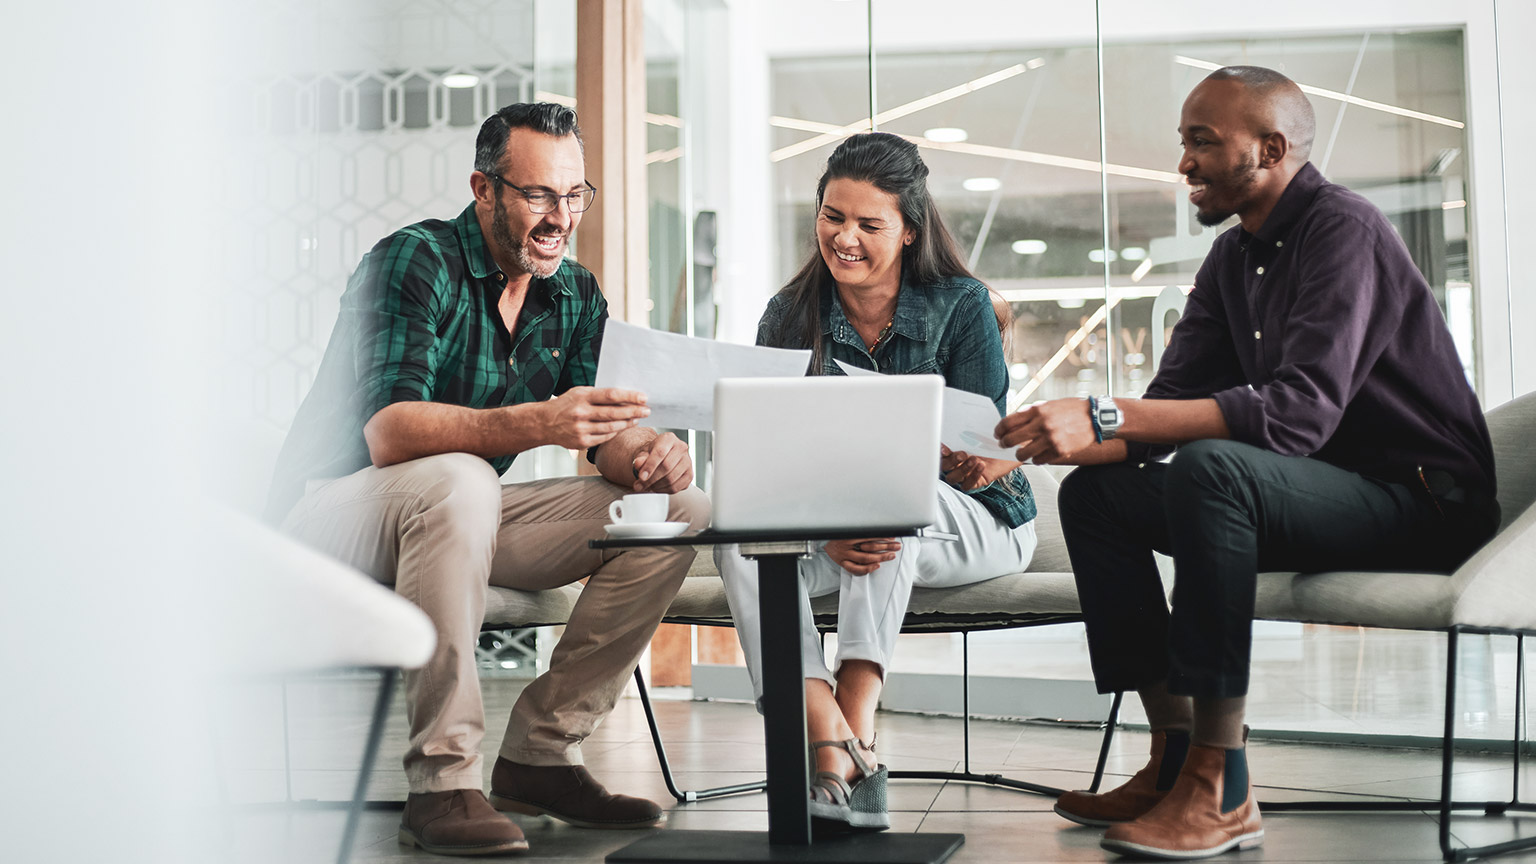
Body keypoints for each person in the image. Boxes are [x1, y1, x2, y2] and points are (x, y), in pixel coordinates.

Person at [995, 66, 1499, 860]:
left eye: (1202, 141)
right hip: (1316, 494)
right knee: (1099, 496)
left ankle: (1223, 787)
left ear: (1269, 149)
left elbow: (1296, 414)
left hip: (1424, 502)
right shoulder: (1234, 260)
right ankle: (1172, 757)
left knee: (1213, 468)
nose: (1184, 163)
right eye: (1184, 142)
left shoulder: (1346, 230)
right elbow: (1162, 416)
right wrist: (1024, 446)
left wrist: (1103, 411)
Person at [265, 102, 710, 857]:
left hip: (453, 511)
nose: (558, 219)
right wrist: (544, 421)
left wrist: (646, 453)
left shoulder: (572, 294)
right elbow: (390, 432)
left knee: (677, 509)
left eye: (574, 196)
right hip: (332, 515)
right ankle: (442, 782)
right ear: (484, 188)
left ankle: (541, 753)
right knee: (463, 478)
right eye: (538, 195)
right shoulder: (414, 261)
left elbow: (591, 427)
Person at [715, 132, 1039, 831]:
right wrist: (825, 527)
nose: (845, 238)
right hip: (841, 522)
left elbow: (992, 443)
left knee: (885, 502)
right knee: (738, 540)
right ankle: (828, 739)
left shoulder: (961, 305)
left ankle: (851, 725)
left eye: (869, 224)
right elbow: (772, 454)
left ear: (909, 230)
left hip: (975, 519)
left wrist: (969, 458)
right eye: (834, 217)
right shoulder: (788, 315)